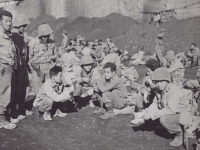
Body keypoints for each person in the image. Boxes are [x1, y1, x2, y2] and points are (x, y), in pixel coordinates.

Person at [131, 68, 189, 147]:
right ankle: (169, 127)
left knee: (163, 119)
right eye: (157, 82)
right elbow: (156, 103)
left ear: (167, 81)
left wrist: (152, 115)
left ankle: (179, 133)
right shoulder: (162, 89)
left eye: (161, 82)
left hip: (182, 114)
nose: (159, 85)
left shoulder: (174, 91)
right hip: (173, 113)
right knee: (157, 114)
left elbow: (170, 110)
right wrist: (146, 111)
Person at [11, 14, 33, 121]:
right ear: (18, 25)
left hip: (22, 66)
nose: (24, 28)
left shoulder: (21, 36)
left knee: (23, 89)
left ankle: (21, 108)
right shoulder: (14, 36)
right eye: (23, 26)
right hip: (17, 67)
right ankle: (15, 111)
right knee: (17, 89)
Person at [0, 10, 17, 129]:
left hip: (9, 67)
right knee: (4, 93)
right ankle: (1, 119)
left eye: (10, 21)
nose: (9, 23)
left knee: (8, 92)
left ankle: (5, 114)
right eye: (6, 21)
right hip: (3, 67)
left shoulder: (8, 34)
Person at [28, 24, 55, 94]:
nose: (46, 38)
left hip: (49, 67)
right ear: (40, 36)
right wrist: (35, 68)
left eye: (48, 35)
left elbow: (54, 54)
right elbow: (29, 57)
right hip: (38, 68)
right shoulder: (34, 42)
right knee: (39, 90)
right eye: (44, 36)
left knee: (49, 89)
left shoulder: (52, 42)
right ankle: (39, 104)